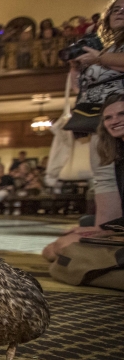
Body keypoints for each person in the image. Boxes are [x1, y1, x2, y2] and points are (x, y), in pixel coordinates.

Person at [43, 94, 124, 261]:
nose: (114, 121)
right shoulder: (117, 156)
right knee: (52, 250)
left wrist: (107, 229)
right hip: (119, 226)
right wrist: (102, 227)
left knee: (62, 250)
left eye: (121, 114)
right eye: (108, 117)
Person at [73, 0, 124, 228]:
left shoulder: (106, 54)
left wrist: (100, 60)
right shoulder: (108, 47)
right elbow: (80, 88)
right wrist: (77, 69)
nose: (120, 12)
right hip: (100, 117)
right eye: (116, 9)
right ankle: (106, 227)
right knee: (103, 173)